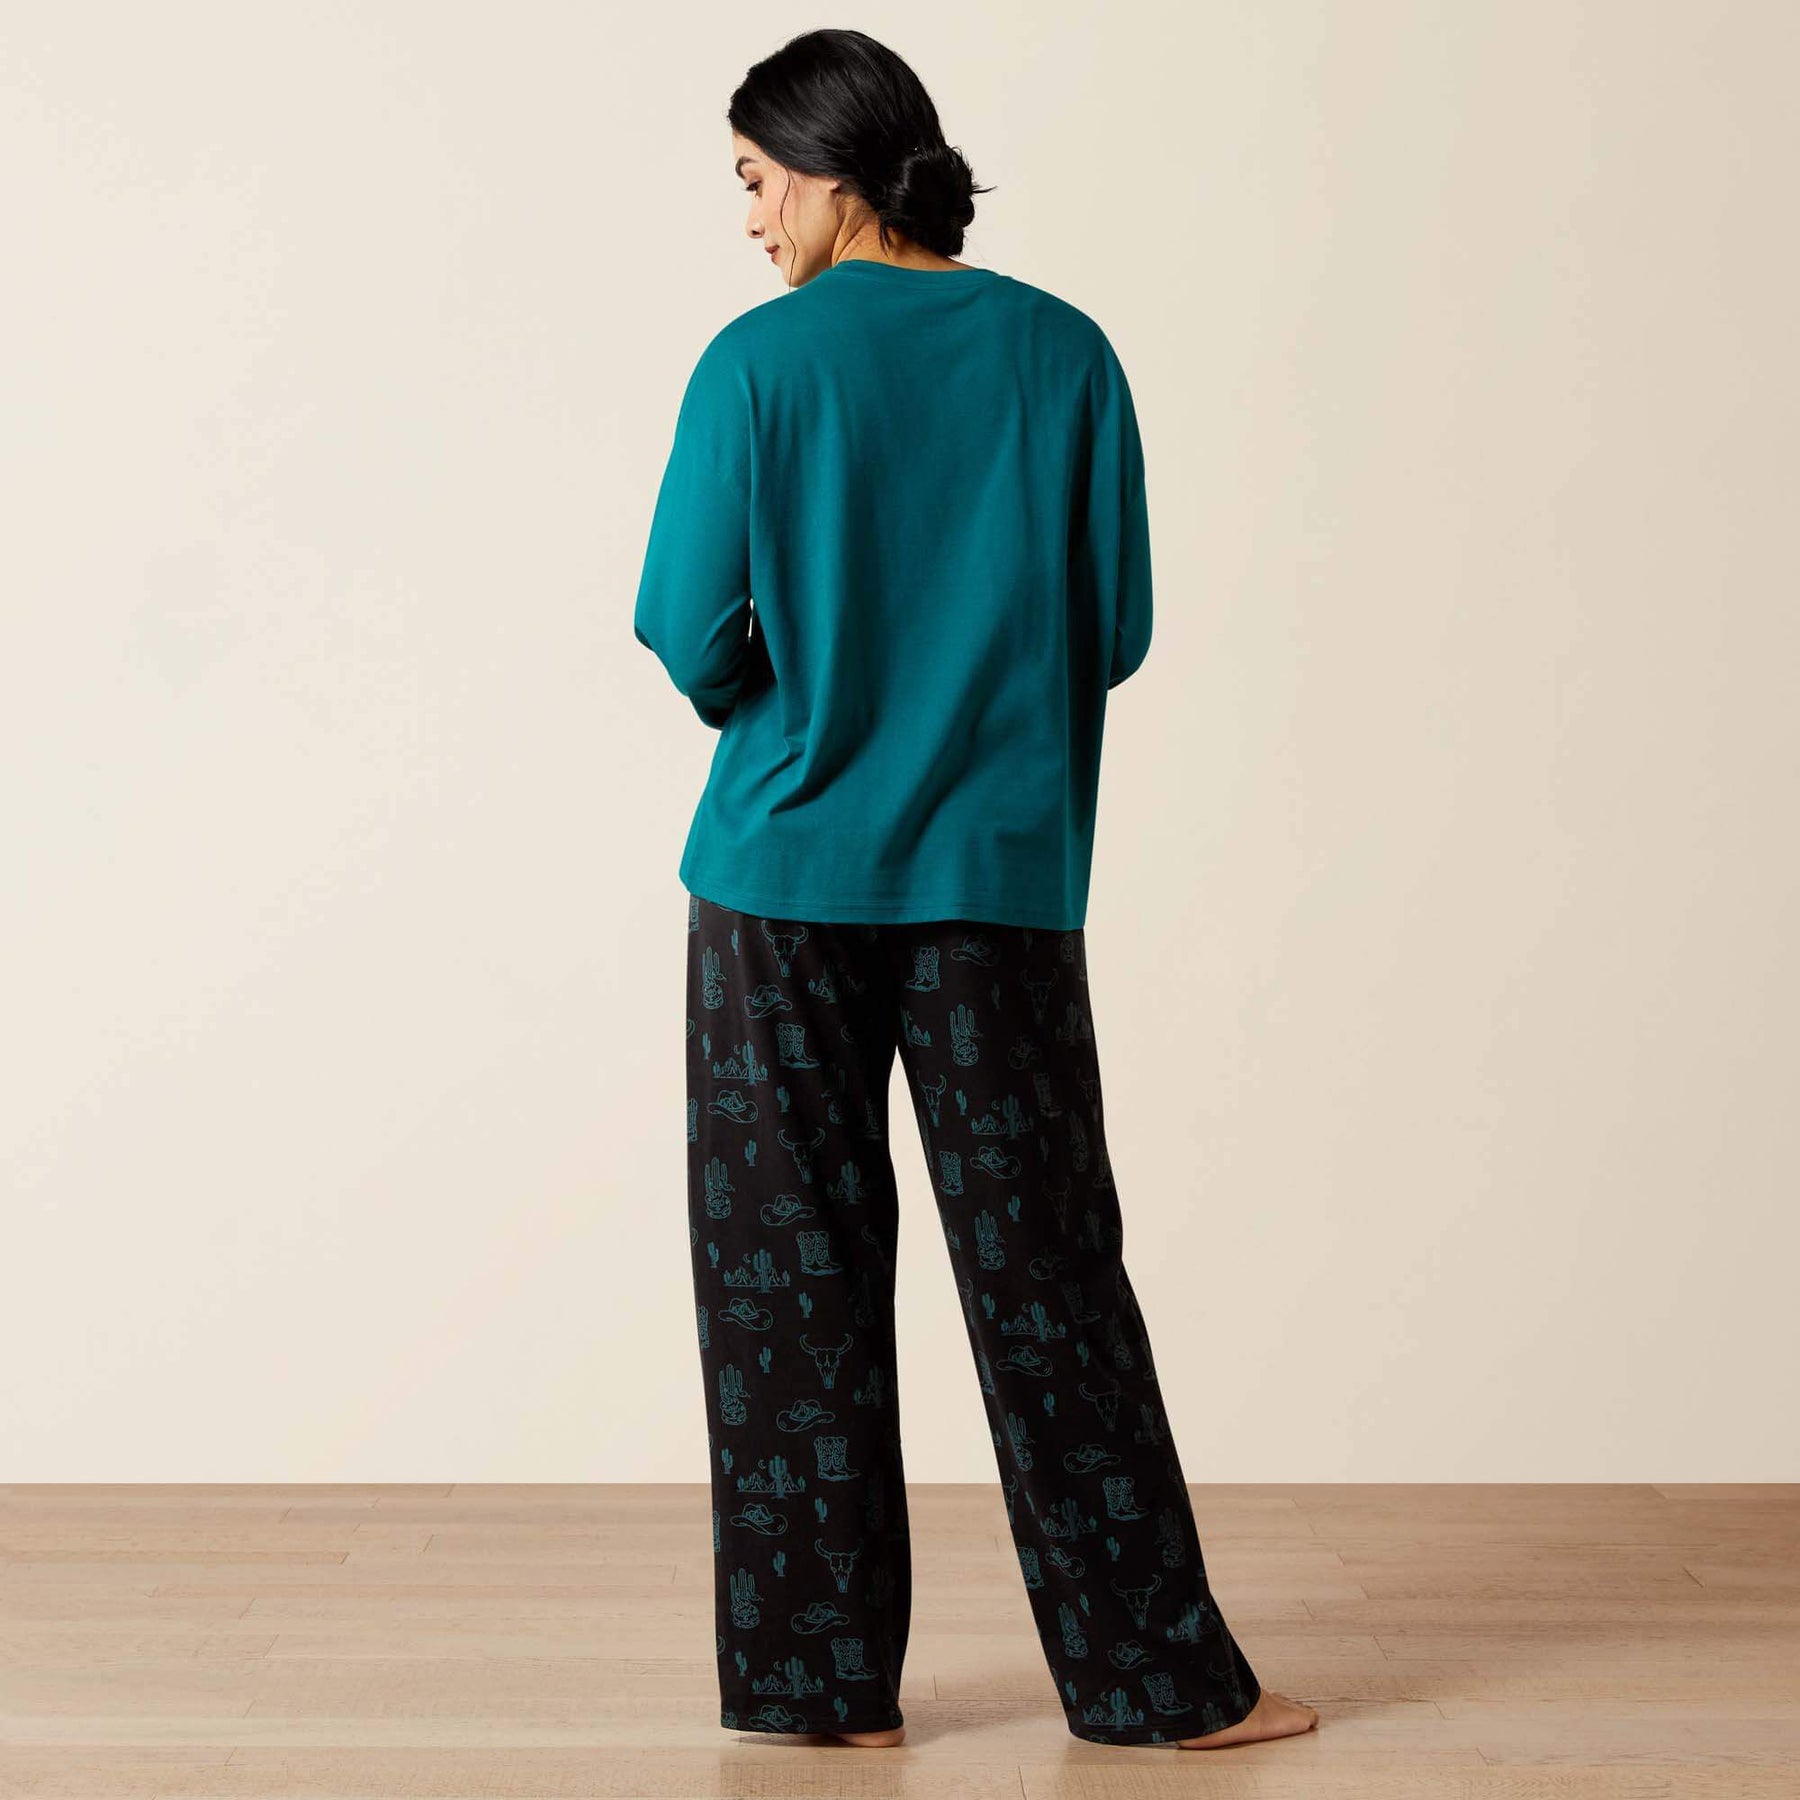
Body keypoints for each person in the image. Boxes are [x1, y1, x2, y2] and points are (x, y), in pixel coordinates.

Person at [633, 26, 1320, 1754]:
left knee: (786, 1279)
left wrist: (803, 685)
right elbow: (1118, 627)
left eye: (754, 181)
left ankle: (816, 1693)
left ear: (827, 171)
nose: (749, 218)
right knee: (1049, 1275)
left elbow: (683, 628)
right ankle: (1156, 1686)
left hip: (777, 886)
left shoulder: (759, 365)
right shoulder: (1065, 353)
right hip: (998, 884)